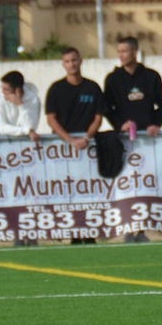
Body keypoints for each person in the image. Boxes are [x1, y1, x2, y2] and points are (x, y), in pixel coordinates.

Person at [104, 36, 162, 242]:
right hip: (124, 140)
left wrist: (155, 124)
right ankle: (128, 227)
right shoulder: (113, 79)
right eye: (119, 51)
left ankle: (143, 229)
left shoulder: (151, 76)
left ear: (135, 52)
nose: (122, 55)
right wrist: (118, 125)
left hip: (148, 141)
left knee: (146, 183)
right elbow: (107, 108)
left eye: (126, 51)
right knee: (126, 183)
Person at [46, 48, 107, 245]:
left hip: (88, 147)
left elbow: (98, 117)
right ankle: (73, 232)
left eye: (74, 60)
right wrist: (70, 140)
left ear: (80, 61)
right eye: (67, 61)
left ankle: (89, 231)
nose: (71, 64)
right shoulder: (56, 89)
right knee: (68, 190)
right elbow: (51, 119)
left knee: (89, 190)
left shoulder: (93, 87)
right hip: (64, 148)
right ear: (63, 64)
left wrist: (87, 137)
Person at [0, 70, 41, 143]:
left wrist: (21, 105)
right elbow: (1, 127)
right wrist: (26, 130)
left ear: (17, 90)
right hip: (4, 142)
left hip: (27, 143)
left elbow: (31, 126)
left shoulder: (33, 99)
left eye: (6, 90)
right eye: (2, 88)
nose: (2, 92)